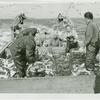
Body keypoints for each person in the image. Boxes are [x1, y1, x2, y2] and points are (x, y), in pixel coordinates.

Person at [84, 12, 100, 93]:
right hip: (96, 44)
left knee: (89, 59)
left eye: (85, 19)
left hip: (91, 45)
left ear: (87, 18)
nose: (85, 21)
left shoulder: (90, 24)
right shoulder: (95, 23)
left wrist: (84, 44)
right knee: (93, 59)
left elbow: (89, 36)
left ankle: (90, 74)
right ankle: (93, 72)